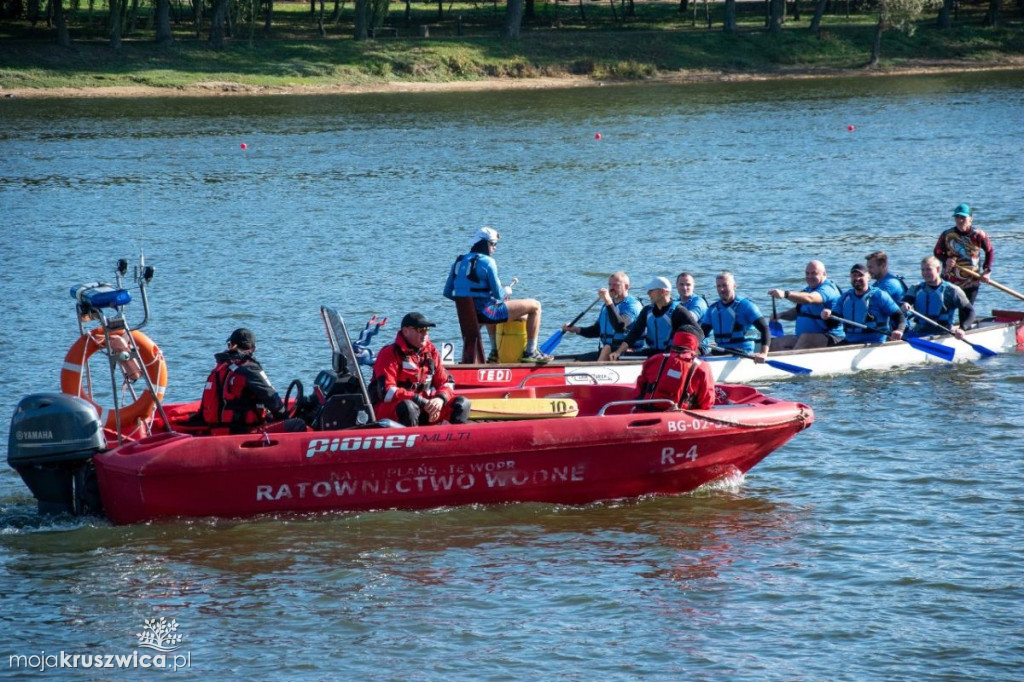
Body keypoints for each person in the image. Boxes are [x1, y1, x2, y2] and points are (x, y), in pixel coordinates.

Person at [443, 227, 550, 364]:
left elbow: (447, 293)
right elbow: (499, 294)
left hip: (467, 316)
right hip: (487, 314)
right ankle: (531, 352)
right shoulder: (488, 262)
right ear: (485, 244)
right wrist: (507, 290)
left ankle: (494, 353)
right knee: (535, 306)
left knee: (490, 302)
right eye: (493, 244)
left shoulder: (458, 261)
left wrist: (470, 305)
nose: (494, 248)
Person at [369, 312, 470, 427]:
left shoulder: (431, 352)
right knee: (408, 407)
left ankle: (451, 439)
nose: (425, 334)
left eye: (427, 330)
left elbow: (446, 382)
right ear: (406, 331)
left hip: (424, 407)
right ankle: (412, 441)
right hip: (393, 410)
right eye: (420, 329)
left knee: (462, 404)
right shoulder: (389, 353)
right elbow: (386, 392)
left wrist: (440, 399)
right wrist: (419, 400)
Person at [198, 328, 304, 434]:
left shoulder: (219, 368)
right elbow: (273, 400)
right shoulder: (249, 368)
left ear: (231, 346)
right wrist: (286, 416)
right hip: (243, 432)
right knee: (297, 424)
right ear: (253, 348)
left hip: (217, 430)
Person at [608, 277, 699, 360]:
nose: (648, 293)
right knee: (621, 357)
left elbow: (699, 333)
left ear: (663, 292)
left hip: (672, 354)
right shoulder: (647, 311)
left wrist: (683, 350)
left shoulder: (679, 311)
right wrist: (618, 352)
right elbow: (634, 333)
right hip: (653, 352)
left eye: (651, 290)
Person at [560, 271, 643, 361]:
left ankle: (597, 371)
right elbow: (596, 330)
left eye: (616, 285)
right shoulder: (607, 306)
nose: (611, 288)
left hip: (626, 352)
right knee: (578, 360)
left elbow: (619, 326)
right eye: (610, 285)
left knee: (607, 348)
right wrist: (577, 329)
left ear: (626, 287)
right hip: (607, 351)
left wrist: (608, 301)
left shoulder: (633, 305)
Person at [768, 260, 844, 350]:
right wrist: (781, 315)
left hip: (832, 338)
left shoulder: (829, 289)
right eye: (807, 273)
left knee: (806, 338)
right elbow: (799, 311)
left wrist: (785, 294)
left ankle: (792, 359)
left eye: (813, 273)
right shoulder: (808, 289)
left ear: (824, 274)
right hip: (803, 338)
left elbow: (810, 298)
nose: (809, 276)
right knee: (775, 342)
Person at [634, 326, 715, 411]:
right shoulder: (702, 367)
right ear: (696, 343)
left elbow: (639, 391)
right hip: (679, 420)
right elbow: (707, 403)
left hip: (646, 415)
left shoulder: (653, 360)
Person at [822, 264, 906, 345]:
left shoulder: (880, 295)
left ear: (868, 277)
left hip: (875, 343)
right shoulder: (844, 298)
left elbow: (899, 316)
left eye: (860, 275)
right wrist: (827, 316)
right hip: (850, 342)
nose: (857, 278)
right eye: (854, 275)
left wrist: (899, 330)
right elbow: (833, 324)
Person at [933, 203, 994, 304]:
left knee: (966, 312)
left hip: (972, 280)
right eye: (957, 217)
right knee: (946, 310)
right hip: (950, 280)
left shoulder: (979, 234)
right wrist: (946, 260)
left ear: (971, 219)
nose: (960, 220)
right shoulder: (947, 234)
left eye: (963, 218)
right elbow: (937, 252)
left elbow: (989, 251)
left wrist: (987, 270)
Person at [902, 256, 976, 339]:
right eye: (923, 270)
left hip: (942, 333)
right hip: (919, 331)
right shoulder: (916, 288)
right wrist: (905, 304)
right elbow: (906, 301)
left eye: (928, 269)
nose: (925, 273)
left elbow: (970, 312)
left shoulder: (953, 290)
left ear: (937, 269)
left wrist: (962, 328)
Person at [702, 271, 770, 362]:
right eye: (719, 286)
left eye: (725, 285)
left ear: (734, 286)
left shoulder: (746, 306)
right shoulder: (713, 309)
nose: (721, 289)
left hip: (743, 353)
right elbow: (702, 333)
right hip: (721, 350)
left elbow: (764, 328)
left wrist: (763, 353)